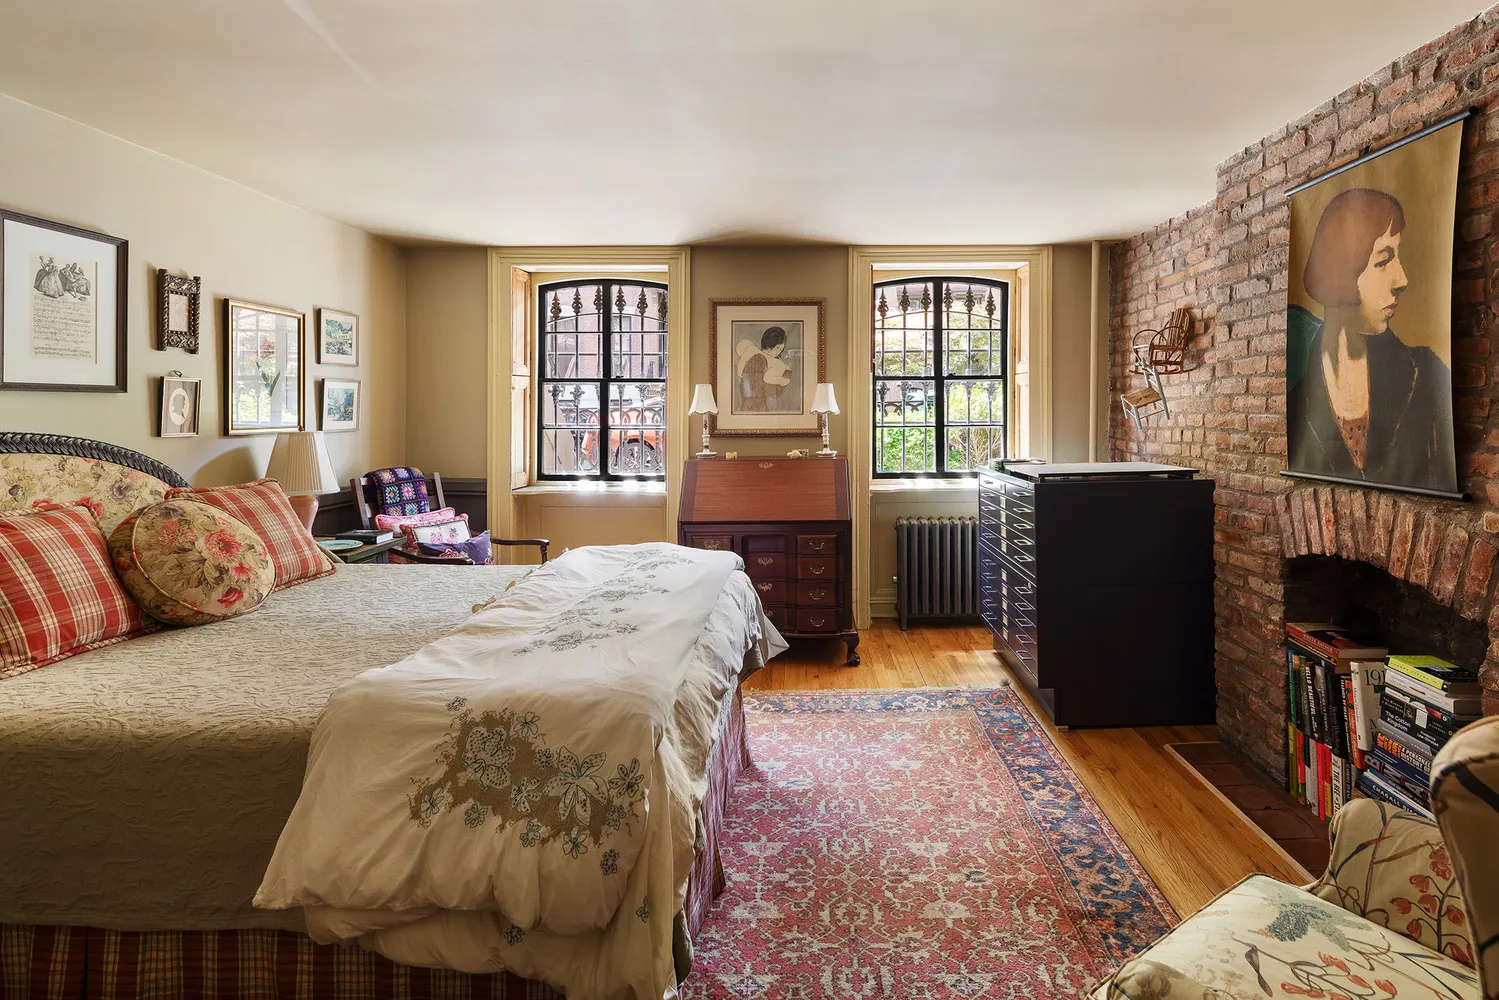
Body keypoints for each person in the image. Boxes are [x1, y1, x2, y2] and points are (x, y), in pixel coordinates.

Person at [1287, 188, 1455, 493]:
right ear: (1340, 271)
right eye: (1383, 261)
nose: (1402, 279)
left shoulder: (1427, 374)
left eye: (1397, 257)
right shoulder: (1297, 398)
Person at [734, 325, 793, 412]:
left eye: (781, 349)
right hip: (753, 407)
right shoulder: (758, 358)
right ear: (769, 342)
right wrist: (781, 382)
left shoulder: (773, 361)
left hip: (758, 405)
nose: (778, 351)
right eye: (777, 347)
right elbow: (770, 390)